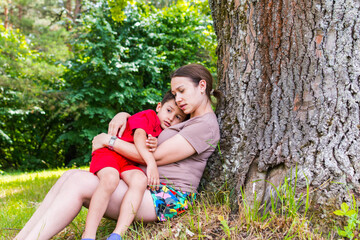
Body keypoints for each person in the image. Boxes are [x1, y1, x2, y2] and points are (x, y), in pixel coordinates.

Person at [15, 63, 221, 240]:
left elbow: (154, 157)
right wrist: (124, 115)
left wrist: (109, 140)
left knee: (79, 182)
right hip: (142, 185)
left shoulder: (205, 126)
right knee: (70, 175)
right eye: (175, 94)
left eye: (182, 91)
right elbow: (148, 125)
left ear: (202, 85)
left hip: (166, 197)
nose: (178, 99)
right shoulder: (188, 118)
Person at [82, 91, 187, 240]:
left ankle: (117, 234)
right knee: (110, 179)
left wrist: (154, 143)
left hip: (128, 162)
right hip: (109, 153)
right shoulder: (149, 115)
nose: (171, 118)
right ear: (159, 107)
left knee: (140, 181)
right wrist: (151, 164)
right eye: (169, 110)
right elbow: (138, 136)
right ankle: (89, 234)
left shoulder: (164, 132)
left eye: (178, 117)